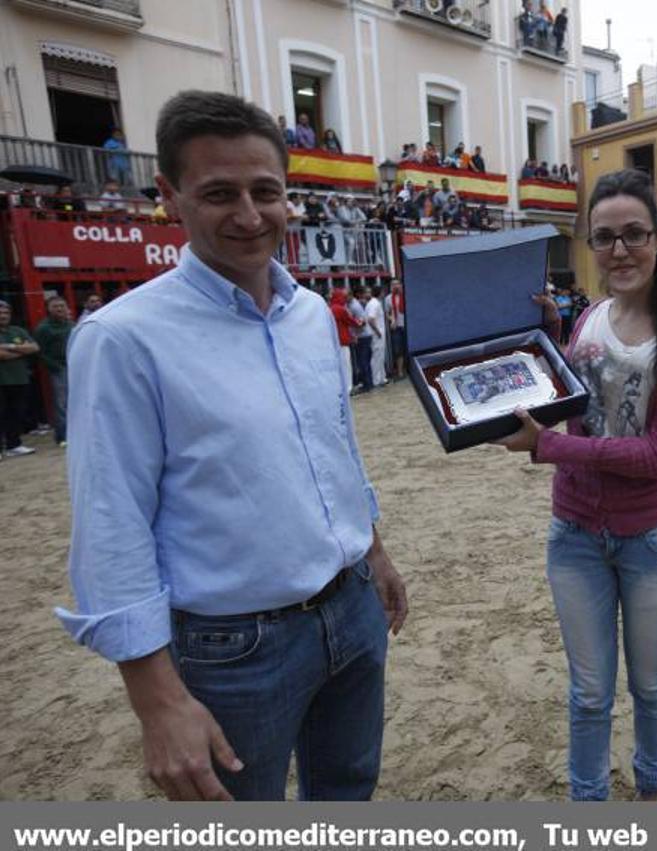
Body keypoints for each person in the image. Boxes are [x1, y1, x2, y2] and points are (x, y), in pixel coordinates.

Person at [54, 92, 408, 801]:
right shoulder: (124, 338)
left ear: (287, 194)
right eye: (219, 193)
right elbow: (110, 523)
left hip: (350, 608)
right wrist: (157, 702)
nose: (249, 215)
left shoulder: (308, 313)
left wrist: (371, 548)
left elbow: (332, 447)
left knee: (348, 789)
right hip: (234, 650)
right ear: (171, 197)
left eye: (265, 191)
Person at [495, 168, 657, 802]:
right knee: (589, 691)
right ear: (589, 245)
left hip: (653, 539)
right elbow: (575, 400)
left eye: (633, 234)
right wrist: (544, 340)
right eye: (603, 238)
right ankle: (587, 805)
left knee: (650, 684)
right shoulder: (589, 316)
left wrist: (547, 447)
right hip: (574, 534)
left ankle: (649, 791)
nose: (618, 250)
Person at [0, 300, 40, 457]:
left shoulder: (18, 330)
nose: (3, 316)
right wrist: (21, 351)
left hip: (19, 378)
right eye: (0, 313)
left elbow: (35, 348)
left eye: (6, 313)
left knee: (16, 413)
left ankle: (13, 445)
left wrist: (10, 347)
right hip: (1, 381)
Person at [33, 295, 74, 447]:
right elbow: (40, 352)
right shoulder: (43, 328)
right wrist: (55, 367)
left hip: (73, 365)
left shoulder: (70, 324)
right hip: (59, 368)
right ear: (48, 309)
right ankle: (62, 436)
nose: (59, 309)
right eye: (55, 306)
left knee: (74, 401)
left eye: (62, 306)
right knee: (61, 404)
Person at [329, 287, 362, 392]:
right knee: (347, 366)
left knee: (339, 367)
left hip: (334, 342)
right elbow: (350, 321)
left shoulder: (329, 308)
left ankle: (342, 387)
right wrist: (360, 323)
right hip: (343, 341)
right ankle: (348, 388)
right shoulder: (341, 309)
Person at [366, 285, 387, 388]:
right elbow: (370, 319)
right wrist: (378, 332)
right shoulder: (375, 304)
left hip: (377, 334)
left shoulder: (373, 303)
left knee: (380, 356)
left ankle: (382, 378)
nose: (384, 294)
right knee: (377, 357)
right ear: (380, 292)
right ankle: (376, 380)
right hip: (377, 335)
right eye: (383, 292)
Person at [385, 279, 406, 380]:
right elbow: (387, 313)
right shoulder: (388, 298)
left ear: (401, 285)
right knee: (398, 349)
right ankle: (400, 372)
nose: (395, 286)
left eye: (397, 284)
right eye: (393, 284)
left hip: (407, 326)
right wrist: (391, 319)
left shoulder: (406, 295)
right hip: (396, 327)